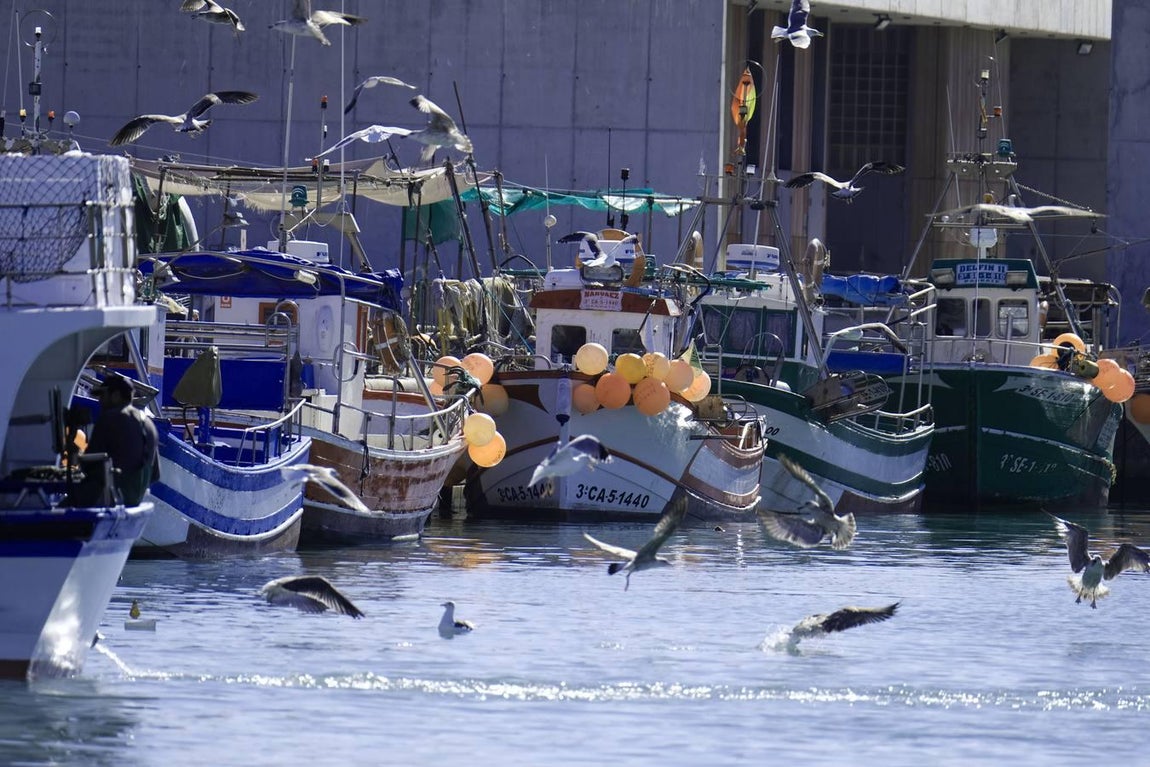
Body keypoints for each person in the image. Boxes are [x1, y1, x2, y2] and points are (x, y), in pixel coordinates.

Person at [66, 372, 160, 507]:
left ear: (115, 395)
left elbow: (88, 466)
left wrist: (75, 454)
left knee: (59, 511)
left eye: (102, 396)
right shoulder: (149, 424)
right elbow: (155, 475)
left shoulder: (110, 418)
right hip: (134, 502)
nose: (100, 401)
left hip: (108, 499)